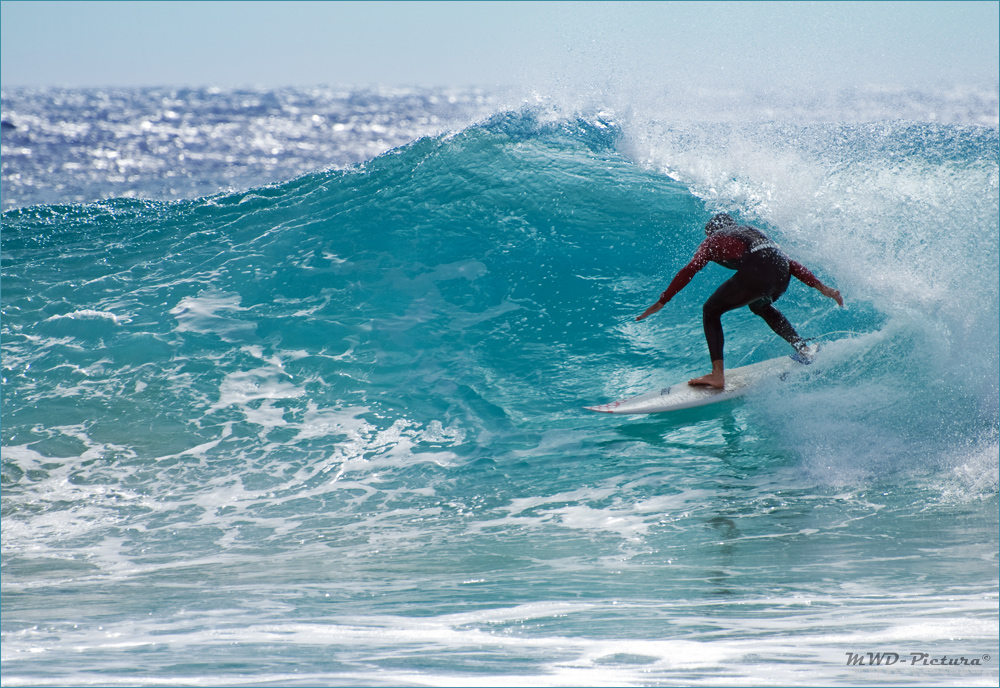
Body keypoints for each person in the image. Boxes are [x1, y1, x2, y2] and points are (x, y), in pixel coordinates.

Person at [636, 213, 843, 389]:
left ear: (711, 232)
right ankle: (802, 347)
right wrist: (822, 287)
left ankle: (717, 374)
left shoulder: (712, 240)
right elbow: (790, 263)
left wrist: (662, 301)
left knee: (710, 311)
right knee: (760, 305)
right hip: (781, 274)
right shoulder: (753, 231)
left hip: (758, 268)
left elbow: (690, 269)